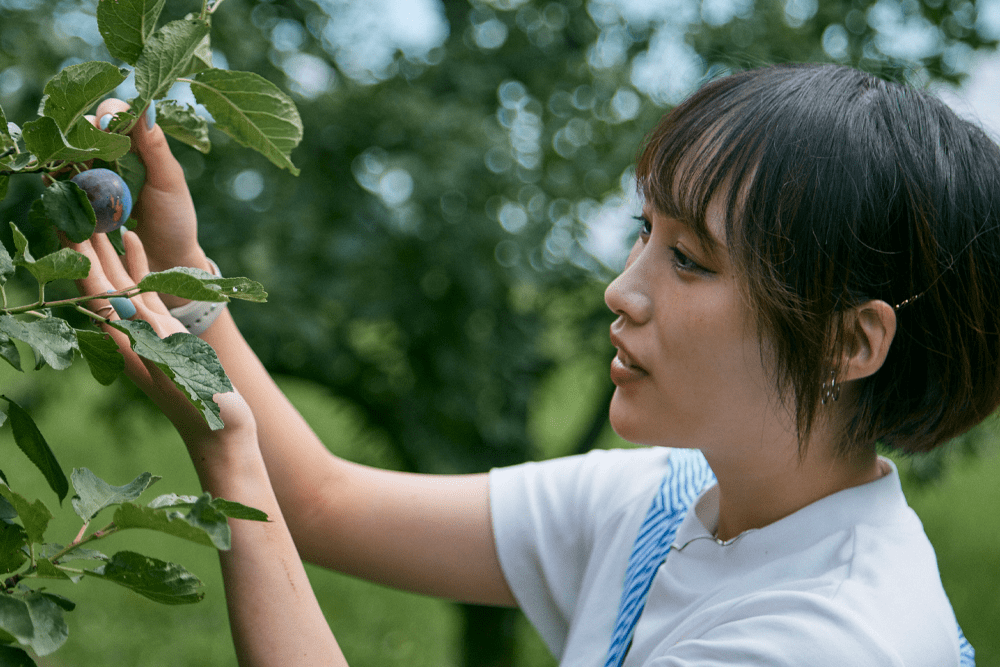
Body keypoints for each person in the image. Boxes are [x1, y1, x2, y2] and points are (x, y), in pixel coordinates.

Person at [70, 63, 1000, 666]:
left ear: (850, 343)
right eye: (647, 232)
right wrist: (189, 283)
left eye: (690, 259)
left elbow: (277, 491)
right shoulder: (673, 503)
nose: (621, 290)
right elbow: (322, 503)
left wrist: (225, 454)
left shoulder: (825, 642)